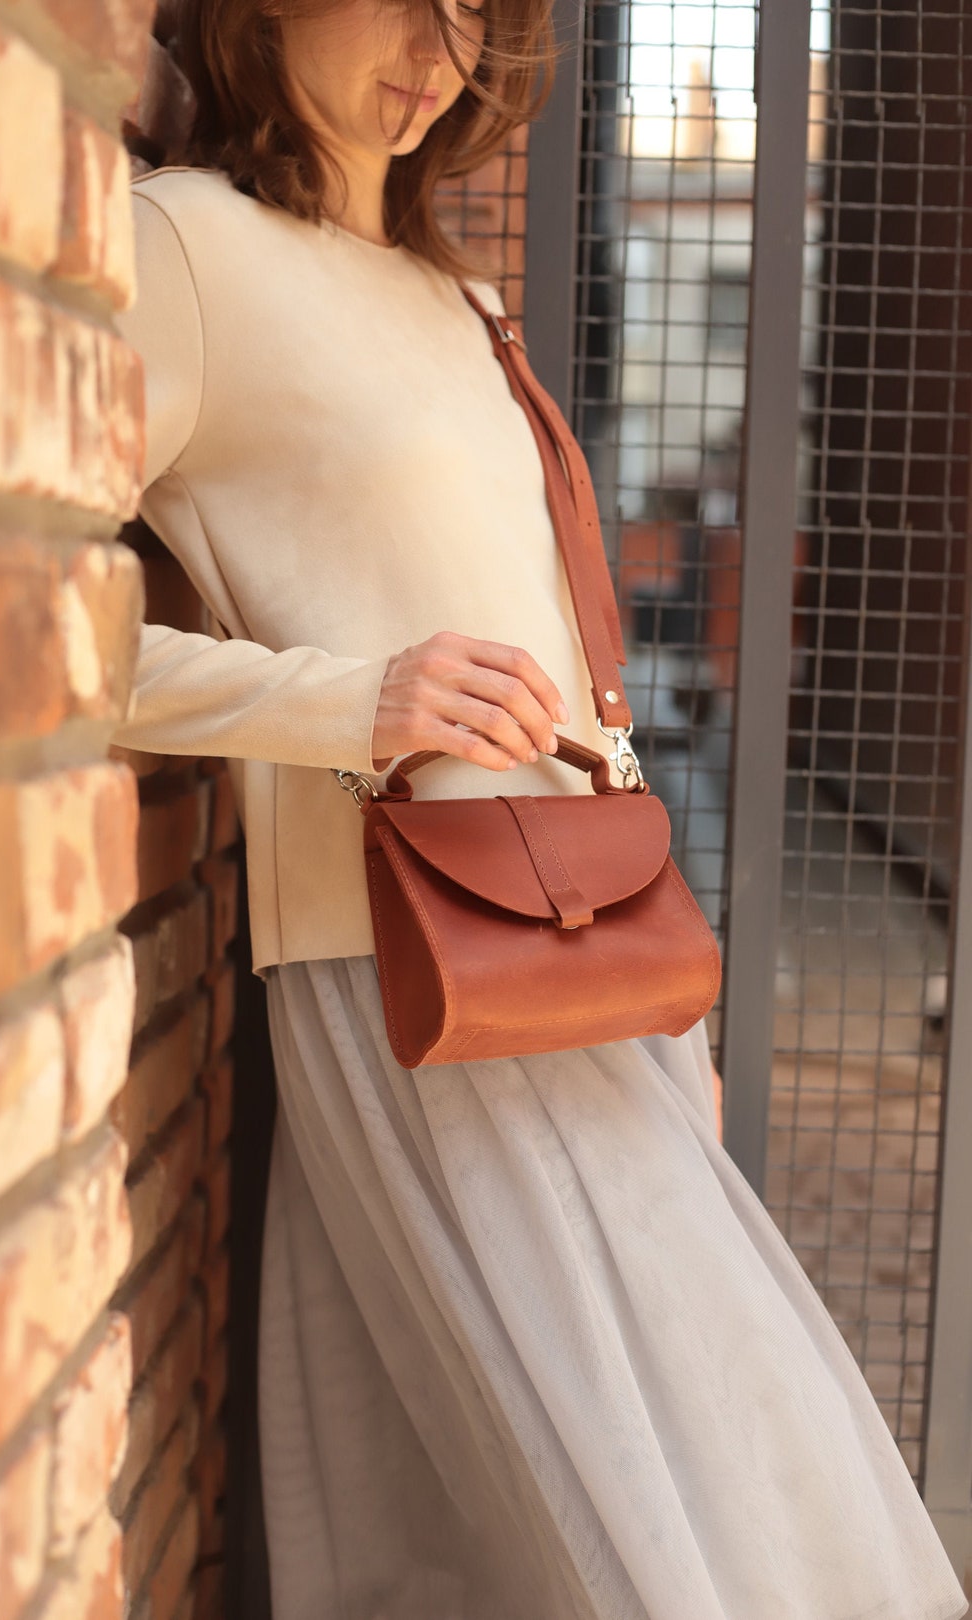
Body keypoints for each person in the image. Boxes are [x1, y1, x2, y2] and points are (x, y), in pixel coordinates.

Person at [111, 2, 970, 1616]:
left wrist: (672, 1011)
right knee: (665, 1525)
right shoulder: (188, 249)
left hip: (579, 967)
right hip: (416, 970)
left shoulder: (463, 299)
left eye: (482, 19)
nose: (442, 52)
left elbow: (572, 677)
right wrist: (334, 701)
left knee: (704, 1480)